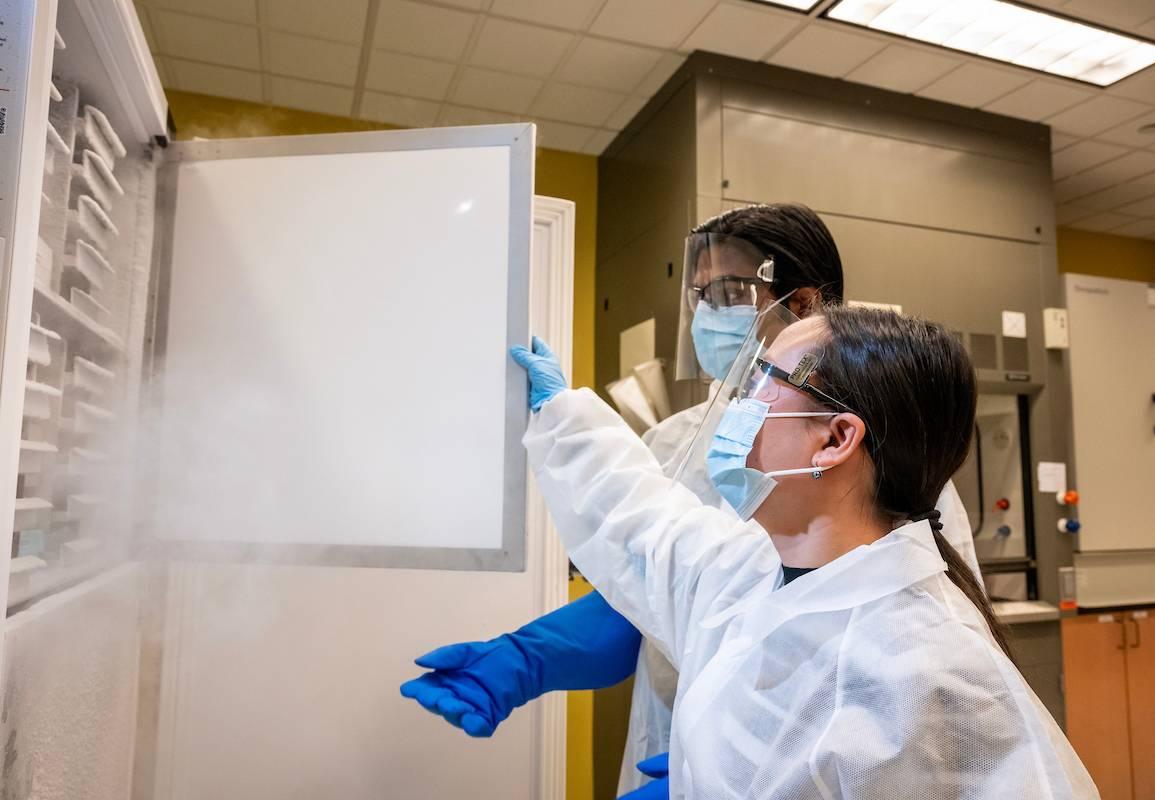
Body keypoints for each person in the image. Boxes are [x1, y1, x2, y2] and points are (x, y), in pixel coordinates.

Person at [401, 205, 979, 797]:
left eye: (728, 292)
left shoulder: (887, 471)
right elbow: (660, 570)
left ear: (802, 305)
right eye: (699, 295)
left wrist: (755, 768)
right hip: (675, 739)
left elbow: (907, 680)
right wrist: (526, 658)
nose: (707, 313)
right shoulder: (680, 438)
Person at [510, 306, 1097, 798]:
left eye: (766, 379)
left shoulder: (929, 671)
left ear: (836, 438)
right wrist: (564, 414)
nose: (741, 401)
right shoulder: (753, 570)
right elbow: (648, 526)